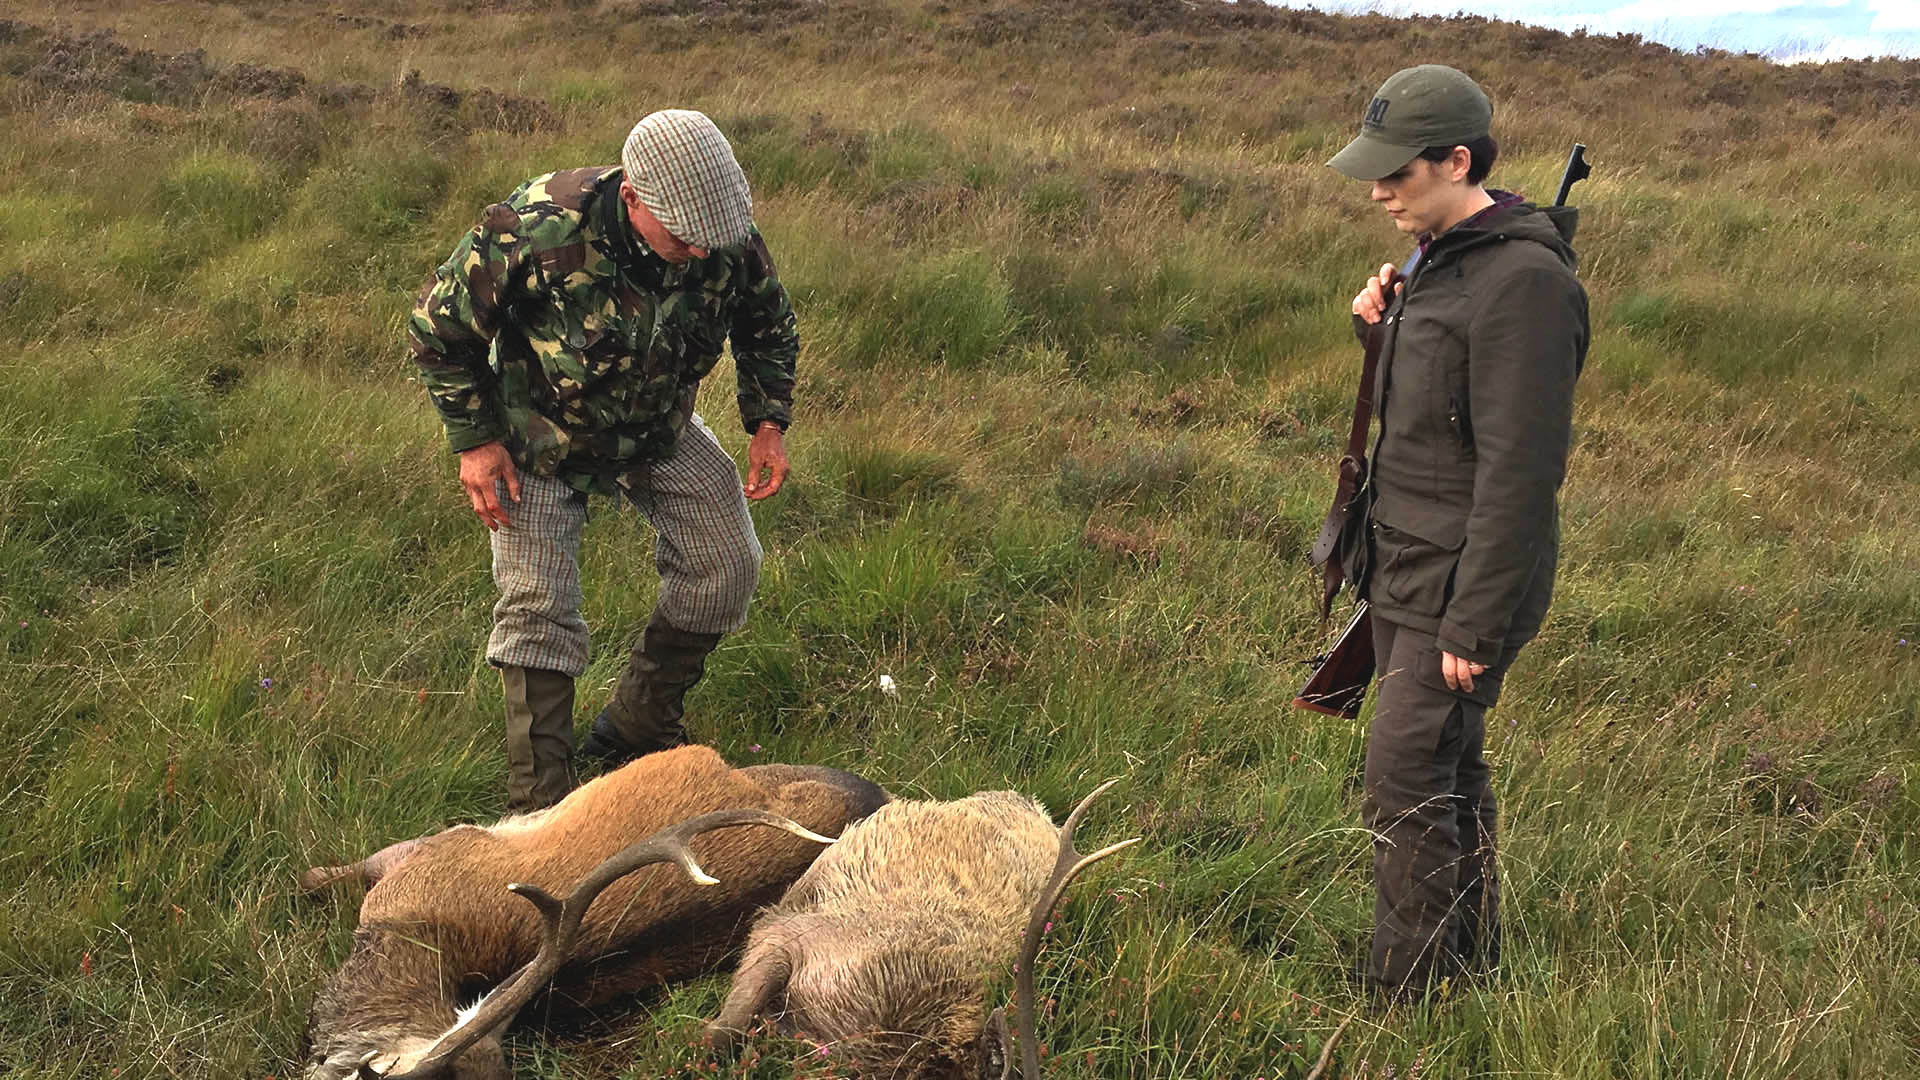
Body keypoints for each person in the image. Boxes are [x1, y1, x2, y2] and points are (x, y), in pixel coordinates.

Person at [408, 109, 798, 811]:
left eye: (707, 240)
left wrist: (768, 421)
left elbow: (767, 322)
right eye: (680, 237)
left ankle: (638, 725)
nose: (697, 253)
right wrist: (476, 441)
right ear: (632, 198)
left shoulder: (719, 236)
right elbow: (439, 331)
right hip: (539, 438)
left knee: (728, 564)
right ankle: (542, 801)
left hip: (658, 429)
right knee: (538, 607)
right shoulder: (533, 227)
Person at [1327, 65, 1589, 998]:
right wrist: (1383, 334)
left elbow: (1521, 476)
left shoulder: (1523, 283)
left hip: (1459, 585)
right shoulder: (1444, 255)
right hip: (1404, 563)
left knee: (1403, 782)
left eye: (1397, 173)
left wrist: (1475, 627)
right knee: (1448, 769)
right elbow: (1447, 410)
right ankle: (1467, 964)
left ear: (1458, 161)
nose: (1378, 190)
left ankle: (1406, 1001)